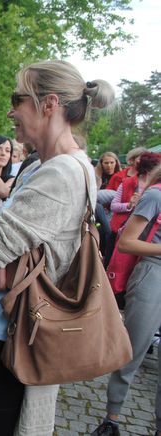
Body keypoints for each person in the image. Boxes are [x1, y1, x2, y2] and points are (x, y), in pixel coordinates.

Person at [0, 60, 114, 435]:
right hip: (9, 332)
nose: (10, 111)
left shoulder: (60, 173)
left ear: (49, 104)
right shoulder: (47, 165)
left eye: (17, 99)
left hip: (10, 343)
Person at [91, 162, 161, 436]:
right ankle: (112, 418)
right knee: (133, 349)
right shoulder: (156, 195)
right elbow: (126, 242)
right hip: (152, 273)